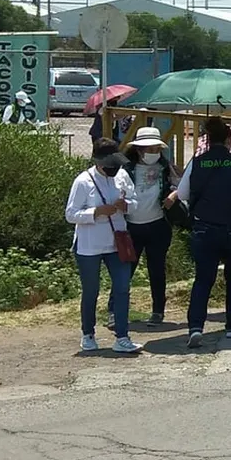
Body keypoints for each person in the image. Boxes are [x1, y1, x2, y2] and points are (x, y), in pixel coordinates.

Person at [172, 117, 231, 348]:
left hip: (204, 228)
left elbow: (182, 194)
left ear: (207, 140)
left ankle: (196, 327)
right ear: (229, 140)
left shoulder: (196, 163)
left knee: (203, 279)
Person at [65, 139, 142, 353]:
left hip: (117, 242)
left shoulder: (122, 176)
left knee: (122, 288)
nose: (113, 169)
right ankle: (88, 334)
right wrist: (96, 212)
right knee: (91, 290)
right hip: (89, 245)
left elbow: (135, 202)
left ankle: (122, 336)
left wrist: (126, 206)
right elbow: (70, 214)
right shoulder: (83, 181)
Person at [119, 127, 179, 326]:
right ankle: (115, 309)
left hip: (158, 225)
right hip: (131, 226)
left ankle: (158, 311)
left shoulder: (166, 167)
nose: (153, 153)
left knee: (157, 269)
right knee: (125, 270)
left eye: (156, 149)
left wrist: (174, 195)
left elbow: (183, 185)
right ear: (138, 150)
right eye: (148, 149)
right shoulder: (126, 169)